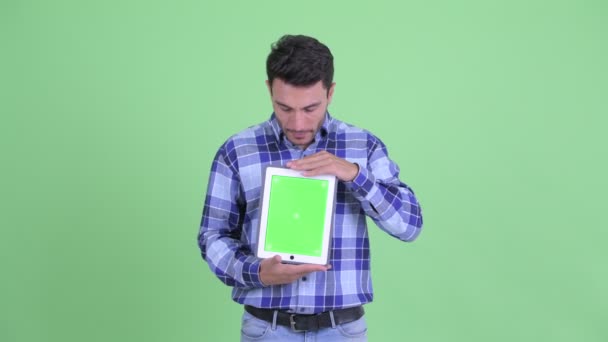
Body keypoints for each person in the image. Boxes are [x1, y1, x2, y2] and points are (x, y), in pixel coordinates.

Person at [198, 34, 423, 341]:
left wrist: (353, 174)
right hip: (267, 329)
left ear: (330, 93)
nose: (298, 123)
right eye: (285, 108)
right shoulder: (238, 150)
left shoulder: (363, 146)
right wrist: (257, 272)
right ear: (269, 90)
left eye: (310, 108)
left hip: (343, 330)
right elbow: (212, 235)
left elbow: (409, 225)